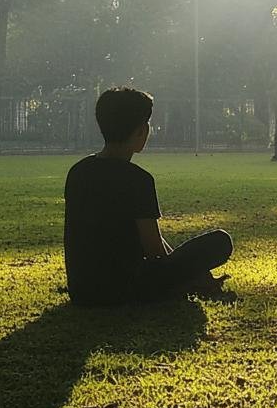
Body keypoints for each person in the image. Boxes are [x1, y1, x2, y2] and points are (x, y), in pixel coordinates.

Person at [63, 87, 231, 306]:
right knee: (220, 242)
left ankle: (194, 281)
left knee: (179, 262)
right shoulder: (138, 180)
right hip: (128, 291)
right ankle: (193, 283)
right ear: (141, 131)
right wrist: (190, 270)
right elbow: (154, 251)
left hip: (82, 291)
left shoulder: (78, 172)